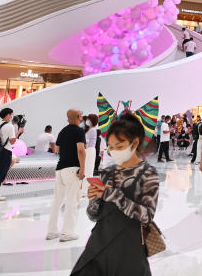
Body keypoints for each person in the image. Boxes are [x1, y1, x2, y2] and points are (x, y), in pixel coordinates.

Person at [70, 114, 158, 276]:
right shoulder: (107, 172)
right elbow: (94, 215)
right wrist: (94, 200)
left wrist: (112, 194)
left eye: (119, 146)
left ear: (135, 143)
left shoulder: (148, 174)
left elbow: (147, 216)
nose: (114, 151)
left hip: (129, 248)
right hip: (99, 244)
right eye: (111, 147)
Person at [47, 109, 86, 242]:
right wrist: (83, 168)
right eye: (81, 115)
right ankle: (67, 232)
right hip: (72, 168)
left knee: (57, 201)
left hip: (60, 169)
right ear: (78, 117)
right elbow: (81, 150)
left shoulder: (62, 131)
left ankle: (51, 231)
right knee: (72, 200)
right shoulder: (79, 131)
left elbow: (56, 149)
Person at [0, 107, 20, 202]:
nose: (12, 116)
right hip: (5, 151)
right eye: (11, 114)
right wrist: (19, 132)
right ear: (7, 114)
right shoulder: (9, 126)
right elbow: (12, 141)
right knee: (1, 172)